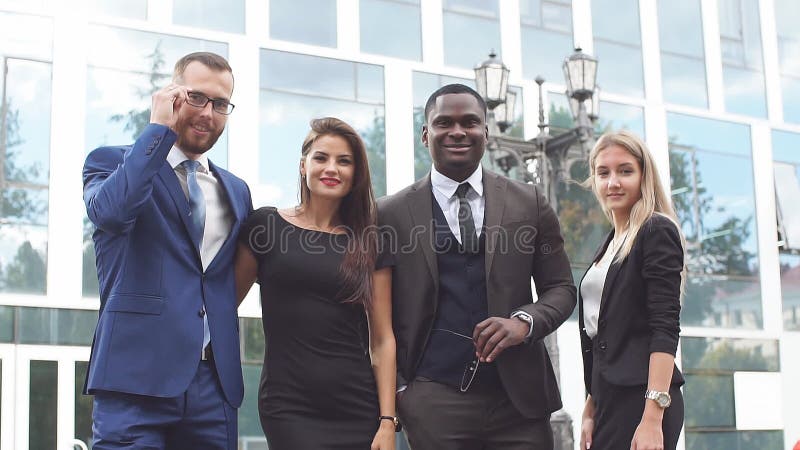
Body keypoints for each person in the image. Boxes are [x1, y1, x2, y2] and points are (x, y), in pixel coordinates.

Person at [376, 83, 576, 449]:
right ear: (425, 134)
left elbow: (561, 289)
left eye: (470, 122)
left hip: (519, 404)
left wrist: (524, 323)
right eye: (444, 123)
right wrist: (404, 392)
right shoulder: (388, 213)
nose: (457, 131)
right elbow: (375, 316)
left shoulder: (528, 202)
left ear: (486, 132)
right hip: (433, 401)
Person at [83, 52, 252, 449]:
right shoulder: (112, 162)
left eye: (221, 104)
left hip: (213, 386)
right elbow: (112, 212)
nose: (208, 113)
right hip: (134, 380)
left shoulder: (237, 191)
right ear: (171, 94)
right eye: (196, 97)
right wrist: (158, 129)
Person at [234, 117, 397, 450]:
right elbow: (224, 307)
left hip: (357, 406)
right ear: (302, 165)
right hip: (288, 405)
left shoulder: (370, 240)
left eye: (344, 161)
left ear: (356, 174)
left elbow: (382, 339)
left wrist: (386, 421)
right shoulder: (265, 226)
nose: (331, 168)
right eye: (321, 157)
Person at [578, 130, 685, 450]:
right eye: (603, 173)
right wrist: (591, 404)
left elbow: (665, 328)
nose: (613, 182)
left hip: (644, 399)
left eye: (625, 171)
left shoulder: (656, 229)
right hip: (609, 398)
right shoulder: (609, 244)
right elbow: (603, 336)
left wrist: (653, 416)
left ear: (643, 176)